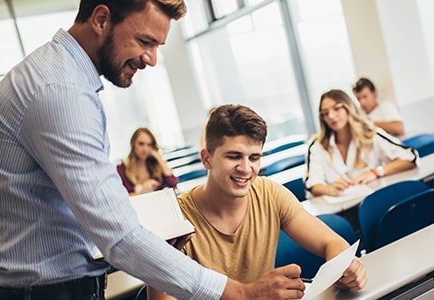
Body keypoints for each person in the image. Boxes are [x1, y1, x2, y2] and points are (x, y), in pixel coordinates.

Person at [0, 1, 305, 299]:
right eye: (145, 41)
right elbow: (118, 237)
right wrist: (239, 292)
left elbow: (73, 216)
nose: (151, 59)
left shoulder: (60, 78)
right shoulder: (60, 91)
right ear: (101, 19)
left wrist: (152, 241)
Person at [148, 104, 367, 300]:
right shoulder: (174, 220)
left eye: (254, 158)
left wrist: (347, 268)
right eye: (234, 156)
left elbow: (331, 242)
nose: (246, 168)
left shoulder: (269, 193)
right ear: (207, 159)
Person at [305, 89, 417, 197]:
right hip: (340, 210)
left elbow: (411, 157)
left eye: (337, 108)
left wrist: (375, 173)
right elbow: (312, 183)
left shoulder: (370, 134)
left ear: (349, 108)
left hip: (373, 200)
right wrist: (329, 189)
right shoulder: (317, 146)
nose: (331, 116)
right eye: (325, 113)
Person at [117, 127, 179, 196]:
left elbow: (173, 184)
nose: (145, 149)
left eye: (149, 145)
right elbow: (121, 198)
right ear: (133, 144)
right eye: (141, 144)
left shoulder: (155, 165)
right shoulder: (122, 169)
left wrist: (159, 158)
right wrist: (142, 191)